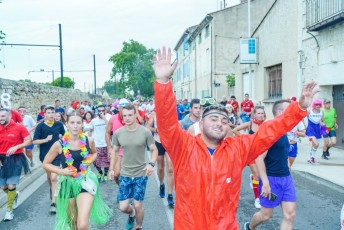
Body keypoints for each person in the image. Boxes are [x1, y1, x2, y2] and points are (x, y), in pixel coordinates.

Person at [152, 47, 317, 229]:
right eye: (213, 119)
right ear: (201, 123)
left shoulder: (237, 148)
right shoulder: (183, 146)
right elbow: (167, 124)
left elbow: (269, 131)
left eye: (224, 120)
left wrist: (299, 108)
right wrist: (162, 82)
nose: (219, 123)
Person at [42, 112, 112, 229]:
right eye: (72, 123)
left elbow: (94, 153)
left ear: (82, 124)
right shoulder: (59, 144)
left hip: (85, 180)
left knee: (83, 225)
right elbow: (45, 164)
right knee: (73, 223)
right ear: (67, 125)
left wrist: (90, 159)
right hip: (67, 184)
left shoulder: (88, 140)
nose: (75, 126)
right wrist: (61, 171)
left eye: (78, 123)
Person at [244, 100, 300, 230]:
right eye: (289, 109)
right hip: (271, 179)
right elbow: (259, 158)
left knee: (290, 214)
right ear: (281, 112)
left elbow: (284, 152)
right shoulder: (270, 130)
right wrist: (265, 183)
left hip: (286, 179)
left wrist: (288, 169)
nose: (292, 112)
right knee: (265, 216)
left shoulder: (284, 130)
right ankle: (250, 227)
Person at [109, 103, 158, 230]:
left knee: (137, 205)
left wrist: (151, 164)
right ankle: (131, 214)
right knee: (123, 207)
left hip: (140, 174)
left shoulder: (145, 132)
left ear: (136, 115)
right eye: (124, 115)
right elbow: (114, 151)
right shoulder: (118, 133)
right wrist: (111, 169)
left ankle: (139, 226)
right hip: (125, 174)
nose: (127, 118)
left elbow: (154, 149)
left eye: (130, 115)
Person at [0, 108, 32, 221]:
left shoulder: (19, 127)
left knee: (11, 185)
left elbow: (29, 140)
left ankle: (9, 211)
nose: (0, 118)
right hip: (2, 159)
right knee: (3, 186)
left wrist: (17, 147)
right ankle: (15, 195)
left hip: (16, 158)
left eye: (3, 116)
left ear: (9, 116)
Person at [33, 105, 65, 213]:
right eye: (49, 113)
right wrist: (45, 140)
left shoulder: (59, 125)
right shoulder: (40, 126)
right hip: (45, 156)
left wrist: (62, 138)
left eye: (52, 112)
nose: (51, 115)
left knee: (54, 177)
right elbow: (35, 141)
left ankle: (54, 203)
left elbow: (66, 137)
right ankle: (53, 190)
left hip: (57, 155)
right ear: (45, 114)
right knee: (50, 177)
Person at [233, 106, 267, 209]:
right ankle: (257, 198)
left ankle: (253, 179)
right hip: (252, 152)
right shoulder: (250, 124)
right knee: (257, 174)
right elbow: (235, 130)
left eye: (262, 113)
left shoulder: (266, 125)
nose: (261, 115)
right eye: (259, 113)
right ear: (254, 114)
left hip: (263, 152)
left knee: (262, 175)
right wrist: (245, 140)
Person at [146, 110, 175, 207]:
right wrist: (156, 130)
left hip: (170, 142)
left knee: (170, 169)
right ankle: (162, 184)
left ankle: (170, 195)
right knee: (160, 168)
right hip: (158, 142)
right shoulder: (154, 113)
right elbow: (148, 126)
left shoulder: (171, 111)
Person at [89, 104, 112, 182]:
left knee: (107, 161)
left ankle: (105, 174)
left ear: (105, 110)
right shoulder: (94, 120)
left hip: (106, 143)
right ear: (97, 111)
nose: (101, 112)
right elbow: (90, 130)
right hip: (97, 143)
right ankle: (99, 172)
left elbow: (110, 127)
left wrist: (104, 118)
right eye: (99, 111)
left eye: (103, 110)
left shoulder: (109, 117)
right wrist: (89, 140)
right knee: (95, 161)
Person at [306, 99, 324, 164]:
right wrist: (304, 126)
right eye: (316, 104)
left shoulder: (322, 112)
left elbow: (322, 121)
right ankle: (312, 158)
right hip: (310, 129)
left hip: (317, 129)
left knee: (313, 144)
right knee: (316, 144)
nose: (318, 106)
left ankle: (310, 158)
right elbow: (302, 118)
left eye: (319, 104)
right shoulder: (309, 111)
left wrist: (324, 129)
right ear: (314, 105)